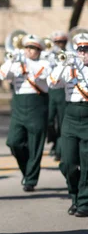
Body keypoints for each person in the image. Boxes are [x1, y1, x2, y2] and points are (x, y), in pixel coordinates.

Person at [0, 34, 51, 191]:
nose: (28, 51)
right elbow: (1, 75)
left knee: (35, 145)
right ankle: (27, 170)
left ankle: (31, 179)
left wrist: (24, 63)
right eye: (26, 47)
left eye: (32, 48)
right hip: (19, 106)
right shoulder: (16, 62)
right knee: (13, 142)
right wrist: (12, 60)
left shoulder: (44, 63)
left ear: (39, 50)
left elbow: (42, 75)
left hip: (37, 105)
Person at [48, 31, 88, 217]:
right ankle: (75, 195)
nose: (83, 53)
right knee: (68, 163)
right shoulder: (69, 67)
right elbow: (52, 83)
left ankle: (83, 202)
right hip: (71, 115)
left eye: (86, 50)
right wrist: (64, 64)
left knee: (86, 164)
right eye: (80, 49)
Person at [47, 30, 70, 162]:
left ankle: (59, 150)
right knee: (49, 120)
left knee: (62, 121)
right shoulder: (49, 54)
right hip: (50, 90)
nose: (59, 44)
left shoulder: (69, 55)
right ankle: (54, 140)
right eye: (57, 42)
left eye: (62, 42)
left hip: (62, 91)